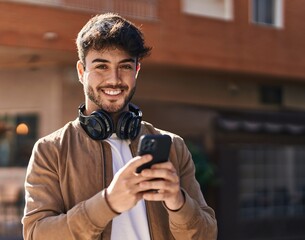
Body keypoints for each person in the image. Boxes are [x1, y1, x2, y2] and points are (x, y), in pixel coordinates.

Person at [22, 12, 217, 240]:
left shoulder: (174, 147)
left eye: (124, 66)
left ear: (137, 70)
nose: (114, 79)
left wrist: (178, 202)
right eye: (101, 66)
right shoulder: (50, 150)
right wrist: (108, 203)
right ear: (81, 72)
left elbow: (206, 235)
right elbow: (36, 234)